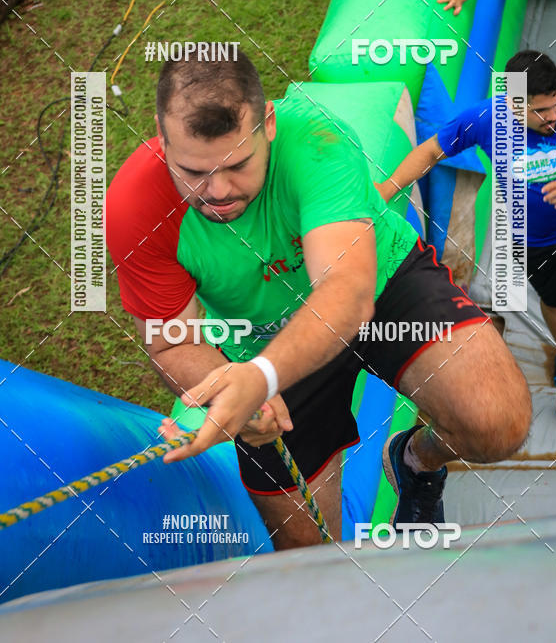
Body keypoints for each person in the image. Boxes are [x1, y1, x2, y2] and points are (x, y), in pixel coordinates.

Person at [106, 49, 531, 549]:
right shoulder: (135, 204)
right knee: (307, 552)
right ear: (160, 133)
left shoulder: (317, 141)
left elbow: (346, 293)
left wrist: (261, 378)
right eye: (192, 171)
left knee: (498, 425)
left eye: (237, 164)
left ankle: (415, 460)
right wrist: (232, 392)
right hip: (262, 343)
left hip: (381, 285)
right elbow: (170, 339)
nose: (217, 192)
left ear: (268, 123)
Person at [377, 51, 556, 437]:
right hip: (530, 238)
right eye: (541, 111)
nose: (553, 117)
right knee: (554, 301)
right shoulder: (486, 119)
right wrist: (384, 191)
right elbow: (431, 150)